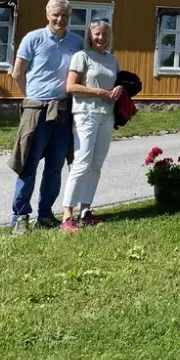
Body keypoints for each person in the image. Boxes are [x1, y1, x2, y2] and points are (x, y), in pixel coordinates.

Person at [7, 0, 84, 235]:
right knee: (28, 164)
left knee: (54, 166)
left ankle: (45, 214)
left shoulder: (77, 42)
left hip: (62, 110)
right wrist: (30, 98)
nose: (60, 19)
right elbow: (17, 73)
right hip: (36, 109)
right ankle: (20, 216)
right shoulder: (33, 39)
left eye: (64, 16)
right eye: (56, 15)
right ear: (47, 15)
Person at [59, 20, 122, 232]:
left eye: (104, 34)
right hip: (86, 114)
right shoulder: (82, 56)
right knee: (82, 162)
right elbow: (71, 86)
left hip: (107, 115)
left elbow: (114, 83)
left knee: (96, 164)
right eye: (96, 34)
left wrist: (118, 89)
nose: (100, 38)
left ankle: (85, 211)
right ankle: (67, 214)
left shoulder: (112, 60)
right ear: (89, 35)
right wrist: (99, 92)